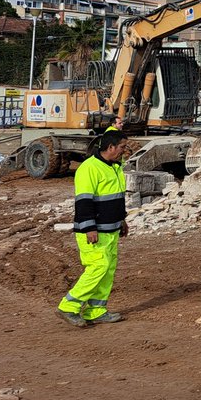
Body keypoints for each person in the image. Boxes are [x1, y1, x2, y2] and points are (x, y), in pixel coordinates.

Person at [55, 130, 129, 327]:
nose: (124, 151)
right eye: (122, 147)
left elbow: (116, 197)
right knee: (98, 267)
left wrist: (122, 220)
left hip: (111, 229)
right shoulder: (89, 168)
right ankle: (68, 306)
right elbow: (84, 201)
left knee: (108, 269)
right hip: (94, 230)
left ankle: (96, 311)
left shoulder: (114, 166)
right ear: (111, 147)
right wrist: (89, 227)